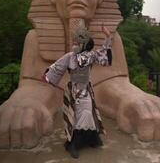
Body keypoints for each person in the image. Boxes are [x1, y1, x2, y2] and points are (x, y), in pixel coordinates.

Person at [0, 0, 160, 150]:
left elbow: (113, 82)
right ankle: (75, 144)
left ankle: (87, 141)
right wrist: (28, 101)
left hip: (84, 97)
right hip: (76, 96)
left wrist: (134, 98)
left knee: (87, 120)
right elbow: (40, 84)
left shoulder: (113, 41)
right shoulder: (35, 40)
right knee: (76, 121)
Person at [42, 25, 111, 158]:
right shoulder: (70, 57)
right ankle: (73, 144)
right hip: (74, 91)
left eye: (77, 42)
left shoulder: (91, 56)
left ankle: (90, 139)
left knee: (88, 114)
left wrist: (108, 37)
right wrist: (47, 76)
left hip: (86, 90)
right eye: (74, 41)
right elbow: (58, 66)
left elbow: (103, 53)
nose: (74, 44)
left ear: (84, 44)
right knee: (76, 116)